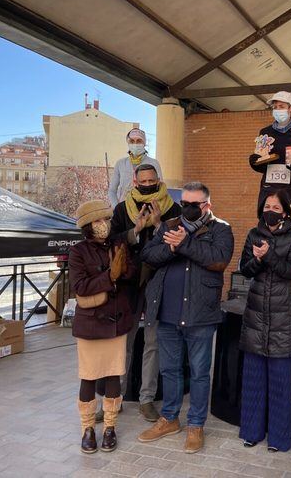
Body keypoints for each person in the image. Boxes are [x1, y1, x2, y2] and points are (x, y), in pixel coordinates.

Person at [137, 182, 234, 454]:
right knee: (169, 370)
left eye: (194, 205)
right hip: (167, 313)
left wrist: (184, 244)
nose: (188, 209)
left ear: (207, 205)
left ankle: (195, 424)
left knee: (201, 373)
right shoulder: (169, 226)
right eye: (185, 204)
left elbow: (218, 260)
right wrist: (170, 248)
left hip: (201, 315)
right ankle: (169, 418)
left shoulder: (221, 229)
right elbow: (148, 256)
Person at [109, 163, 182, 423]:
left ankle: (147, 399)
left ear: (159, 180)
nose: (149, 184)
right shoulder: (122, 209)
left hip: (158, 283)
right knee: (123, 344)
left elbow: (180, 243)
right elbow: (112, 240)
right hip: (129, 285)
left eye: (153, 180)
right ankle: (114, 399)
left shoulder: (173, 209)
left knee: (153, 344)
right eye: (144, 181)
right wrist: (136, 230)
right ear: (135, 182)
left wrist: (159, 223)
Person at [238, 191, 291, 452]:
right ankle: (251, 431)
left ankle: (279, 438)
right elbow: (245, 269)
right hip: (256, 314)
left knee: (279, 381)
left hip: (283, 316)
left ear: (285, 212)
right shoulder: (254, 234)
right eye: (267, 205)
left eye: (276, 206)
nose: (271, 209)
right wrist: (255, 259)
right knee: (253, 378)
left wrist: (268, 256)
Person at [69, 200, 135, 454]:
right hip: (90, 324)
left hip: (117, 321)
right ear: (87, 226)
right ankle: (87, 429)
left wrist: (124, 265)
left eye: (106, 220)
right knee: (88, 376)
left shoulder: (118, 244)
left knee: (113, 374)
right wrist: (110, 276)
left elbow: (129, 276)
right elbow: (81, 287)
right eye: (97, 222)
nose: (103, 226)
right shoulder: (78, 252)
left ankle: (110, 427)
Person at [249, 91, 291, 213]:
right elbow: (261, 166)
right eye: (275, 107)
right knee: (266, 221)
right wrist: (255, 161)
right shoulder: (265, 132)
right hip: (268, 189)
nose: (277, 110)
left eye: (281, 107)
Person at [108, 128, 163, 206]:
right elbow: (112, 191)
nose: (135, 144)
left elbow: (160, 189)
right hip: (124, 208)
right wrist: (117, 208)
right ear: (128, 143)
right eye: (132, 141)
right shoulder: (120, 164)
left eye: (139, 141)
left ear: (144, 143)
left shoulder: (153, 163)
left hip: (146, 209)